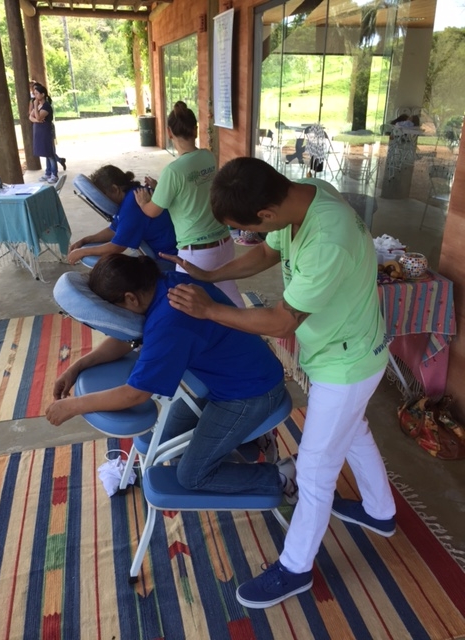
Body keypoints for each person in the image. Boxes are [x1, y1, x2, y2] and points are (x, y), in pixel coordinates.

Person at [164, 157, 396, 609]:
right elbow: (269, 252)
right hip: (343, 349)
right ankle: (379, 511)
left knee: (314, 470)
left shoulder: (328, 240)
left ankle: (295, 568)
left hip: (347, 364)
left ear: (266, 213)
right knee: (353, 431)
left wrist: (210, 309)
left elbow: (280, 321)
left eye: (243, 228)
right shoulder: (300, 193)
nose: (243, 237)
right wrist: (210, 275)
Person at [45, 253, 297, 502]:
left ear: (130, 298)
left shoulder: (170, 321)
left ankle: (283, 475)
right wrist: (77, 367)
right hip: (221, 379)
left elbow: (134, 395)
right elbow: (127, 335)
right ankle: (250, 439)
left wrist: (73, 406)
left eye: (114, 310)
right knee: (167, 437)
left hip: (251, 392)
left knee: (192, 476)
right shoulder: (163, 284)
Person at [134, 100, 244, 308]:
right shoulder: (208, 156)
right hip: (224, 244)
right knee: (231, 297)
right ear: (195, 129)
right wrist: (161, 187)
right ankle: (248, 327)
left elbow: (153, 211)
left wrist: (143, 202)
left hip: (197, 254)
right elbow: (193, 187)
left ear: (169, 132)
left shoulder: (173, 171)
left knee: (185, 306)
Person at [67, 165, 177, 266]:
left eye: (104, 195)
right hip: (158, 251)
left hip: (169, 259)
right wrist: (86, 240)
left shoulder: (133, 204)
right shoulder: (130, 197)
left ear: (115, 189)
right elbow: (114, 230)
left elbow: (117, 246)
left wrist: (83, 252)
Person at [28, 83, 60, 184]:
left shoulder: (46, 106)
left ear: (43, 94)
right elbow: (31, 117)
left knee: (50, 153)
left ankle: (54, 174)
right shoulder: (39, 105)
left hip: (46, 131)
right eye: (34, 94)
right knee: (46, 153)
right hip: (39, 131)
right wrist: (37, 120)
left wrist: (35, 106)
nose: (35, 96)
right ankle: (48, 173)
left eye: (37, 93)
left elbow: (38, 116)